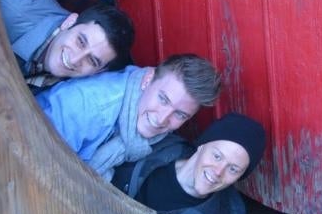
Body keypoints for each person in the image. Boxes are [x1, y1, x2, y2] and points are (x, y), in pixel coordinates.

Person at [36, 54, 221, 180]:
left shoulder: (139, 102)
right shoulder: (88, 107)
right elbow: (41, 169)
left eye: (180, 114)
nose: (163, 118)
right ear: (148, 79)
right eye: (163, 99)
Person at [112, 112, 266, 214]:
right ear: (202, 146)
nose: (219, 171)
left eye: (233, 169)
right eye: (217, 156)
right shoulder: (151, 150)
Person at [0, 0, 134, 89]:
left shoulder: (73, 90)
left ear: (98, 72)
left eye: (92, 60)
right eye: (81, 41)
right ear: (69, 22)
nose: (74, 60)